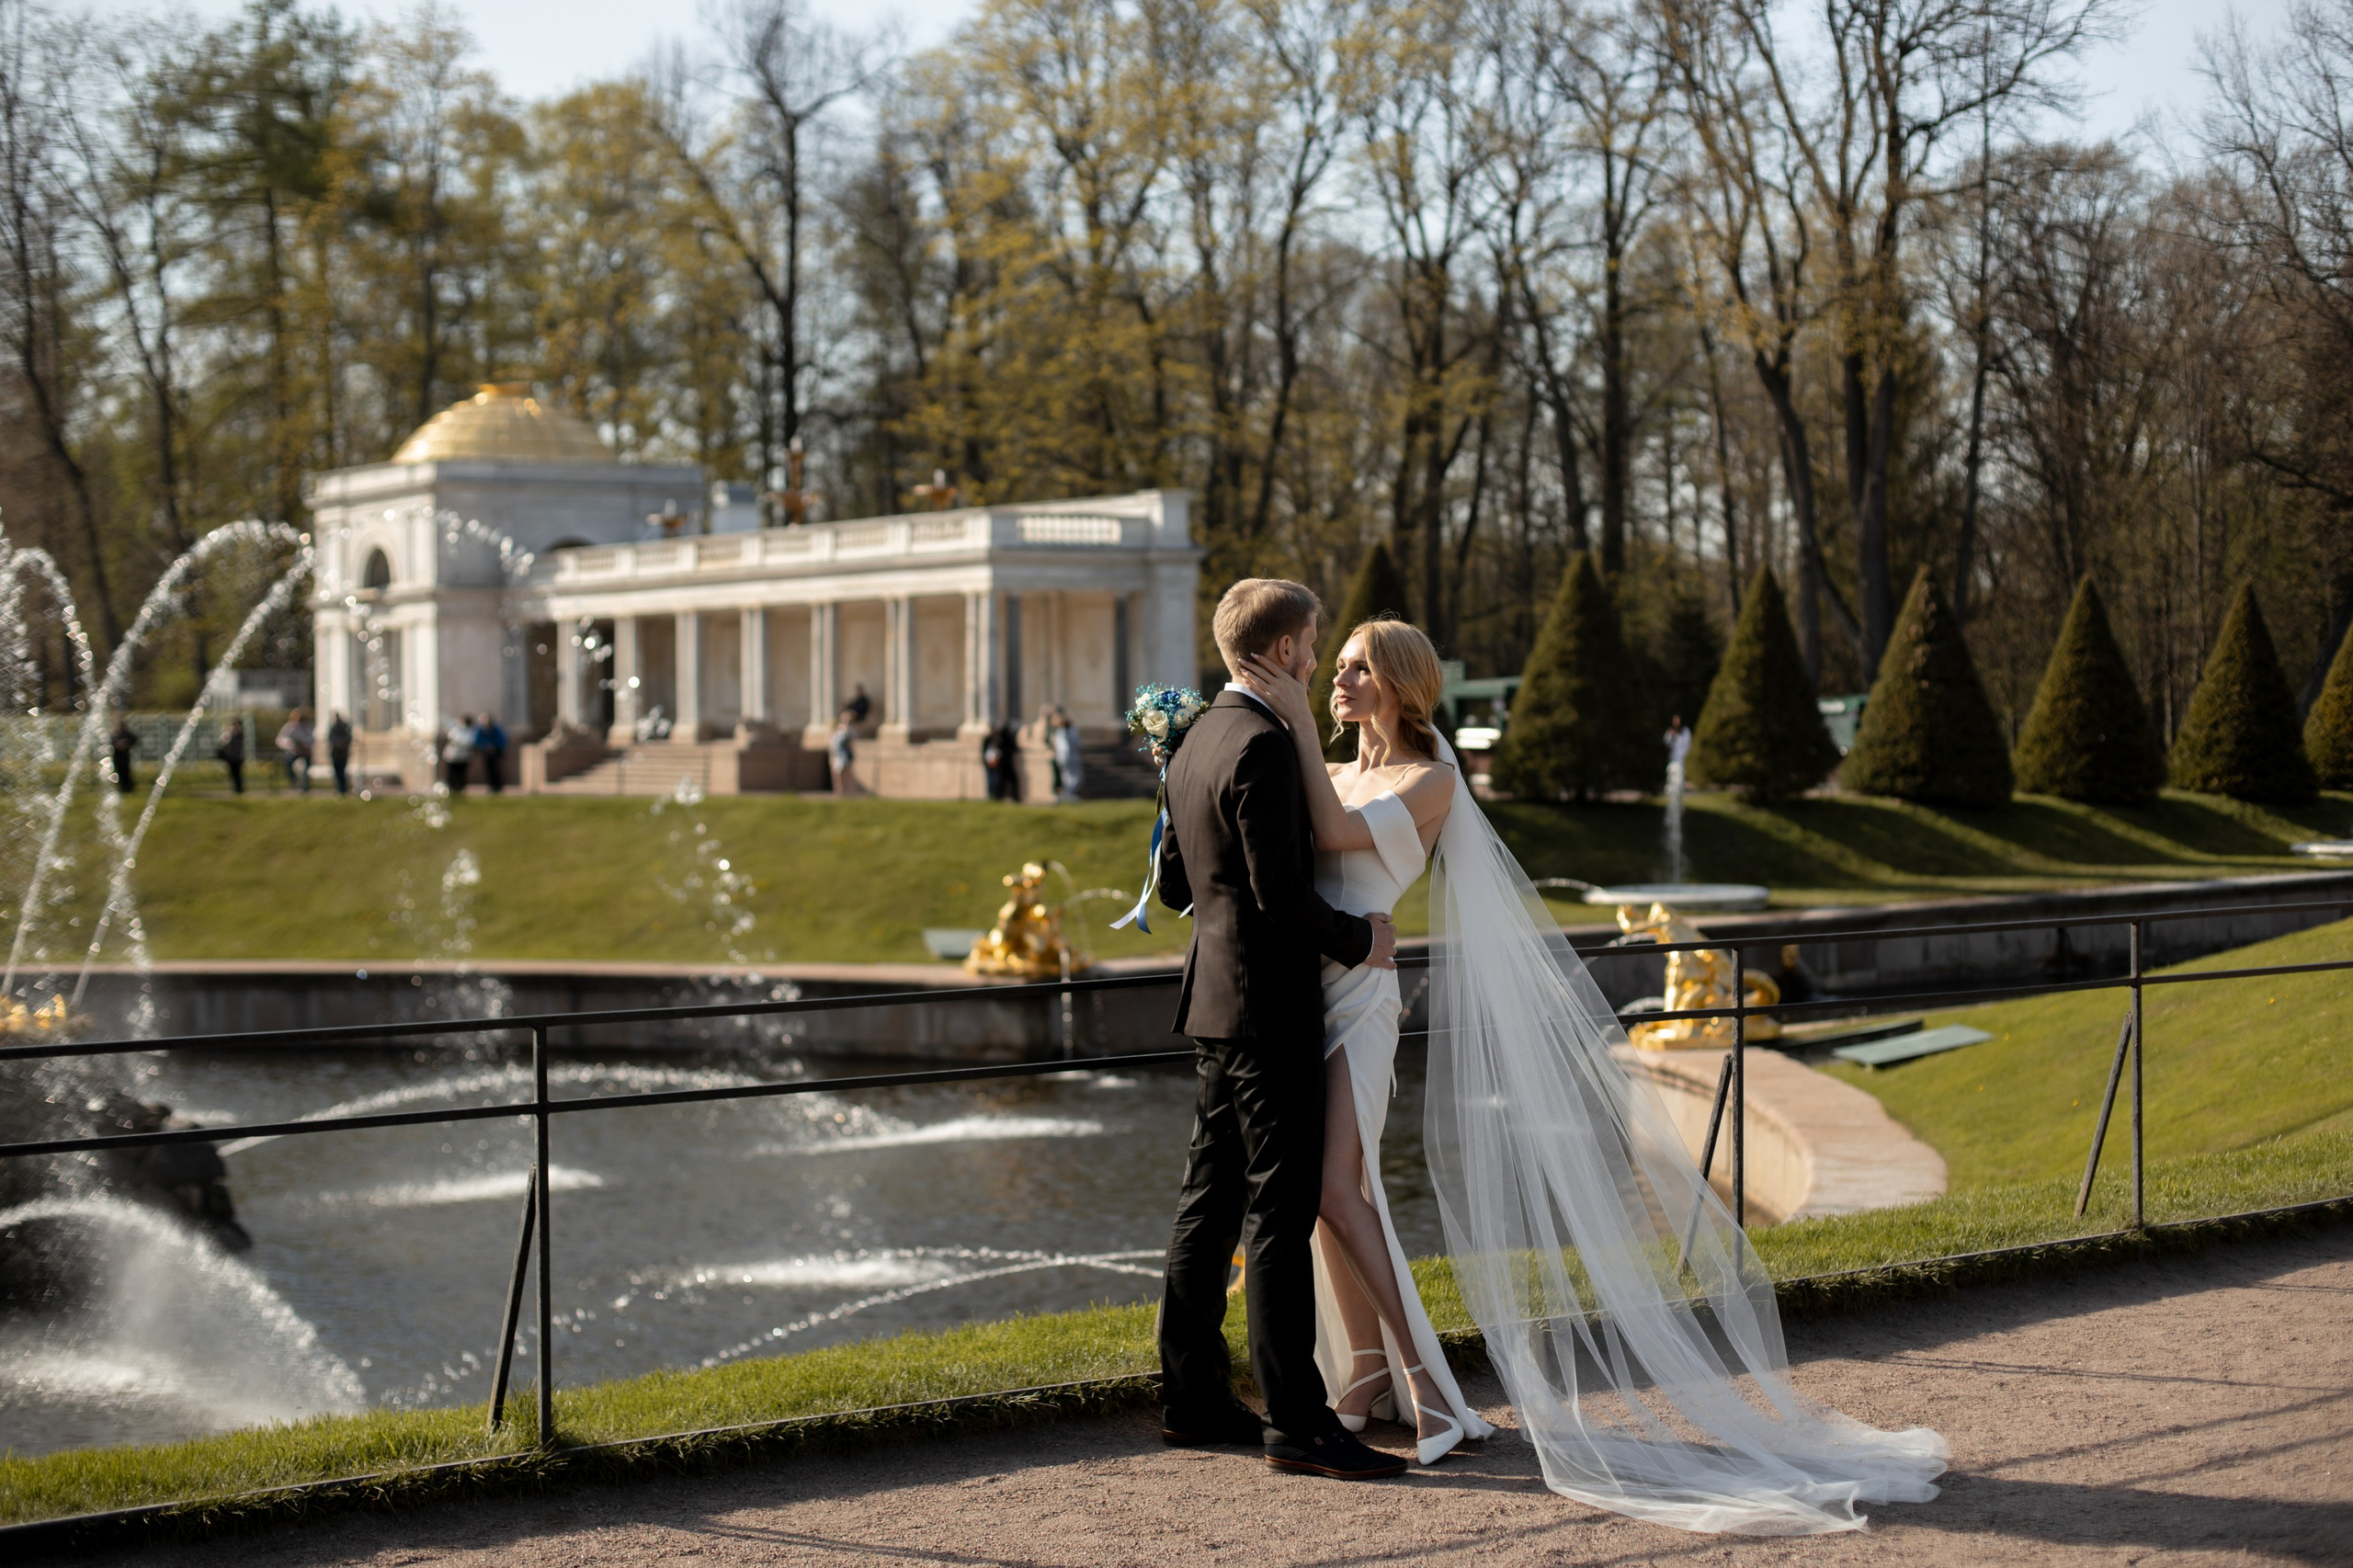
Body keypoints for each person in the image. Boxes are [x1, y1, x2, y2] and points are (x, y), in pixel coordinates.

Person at [1238, 616, 1948, 1532]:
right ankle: (1368, 1371)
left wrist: (1289, 713)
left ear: (1401, 684)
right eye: (1329, 668)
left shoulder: (1431, 779)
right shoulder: (1339, 765)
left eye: (1354, 668)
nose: (1333, 679)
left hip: (1365, 1008)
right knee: (1337, 1190)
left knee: (1338, 1186)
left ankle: (1431, 1391)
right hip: (1316, 992)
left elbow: (1330, 835)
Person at [1152, 577, 1404, 1483]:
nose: (1314, 653)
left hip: (1211, 1004)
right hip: (1268, 1011)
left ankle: (1191, 1396)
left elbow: (1178, 886)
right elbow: (1281, 895)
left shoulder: (1195, 739)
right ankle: (1296, 1419)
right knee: (1276, 1212)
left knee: (1207, 1203)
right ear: (1283, 649)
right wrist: (1360, 940)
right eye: (1309, 641)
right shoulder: (1259, 744)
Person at [1049, 704, 1085, 803]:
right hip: (1068, 757)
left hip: (1063, 757)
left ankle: (1066, 794)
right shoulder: (1065, 731)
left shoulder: (1061, 731)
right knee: (1073, 777)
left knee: (1067, 777)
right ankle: (1067, 794)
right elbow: (1075, 744)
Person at [277, 709, 314, 794]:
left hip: (305, 752)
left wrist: (304, 744)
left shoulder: (308, 726)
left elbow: (312, 739)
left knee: (306, 770)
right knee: (288, 762)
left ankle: (305, 787)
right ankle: (293, 780)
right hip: (294, 752)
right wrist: (290, 744)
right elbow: (280, 739)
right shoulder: (289, 727)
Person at [829, 708, 861, 796]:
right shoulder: (838, 729)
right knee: (837, 775)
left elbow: (850, 743)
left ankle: (849, 792)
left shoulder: (850, 730)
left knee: (846, 775)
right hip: (837, 754)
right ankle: (839, 792)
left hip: (844, 754)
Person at [476, 712, 508, 794]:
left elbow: (502, 740)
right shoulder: (481, 730)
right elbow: (478, 740)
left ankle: (498, 786)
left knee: (496, 769)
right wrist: (485, 746)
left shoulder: (496, 729)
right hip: (486, 753)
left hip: (496, 752)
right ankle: (491, 786)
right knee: (488, 770)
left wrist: (493, 746)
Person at [444, 713, 475, 793]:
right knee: (452, 774)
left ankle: (460, 788)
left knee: (461, 774)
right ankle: (451, 787)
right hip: (453, 756)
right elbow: (453, 737)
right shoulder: (456, 729)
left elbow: (468, 741)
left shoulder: (471, 731)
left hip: (464, 757)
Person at [327, 711, 353, 796]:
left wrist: (341, 743)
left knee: (341, 771)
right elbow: (331, 739)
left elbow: (348, 738)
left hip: (342, 753)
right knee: (338, 771)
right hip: (336, 753)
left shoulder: (343, 727)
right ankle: (340, 788)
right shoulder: (333, 728)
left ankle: (343, 788)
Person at [109, 719, 137, 795]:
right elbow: (111, 742)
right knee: (119, 771)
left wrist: (126, 744)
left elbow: (134, 740)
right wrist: (118, 745)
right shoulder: (115, 734)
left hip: (125, 755)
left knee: (126, 771)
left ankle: (128, 787)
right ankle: (121, 787)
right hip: (117, 755)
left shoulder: (127, 734)